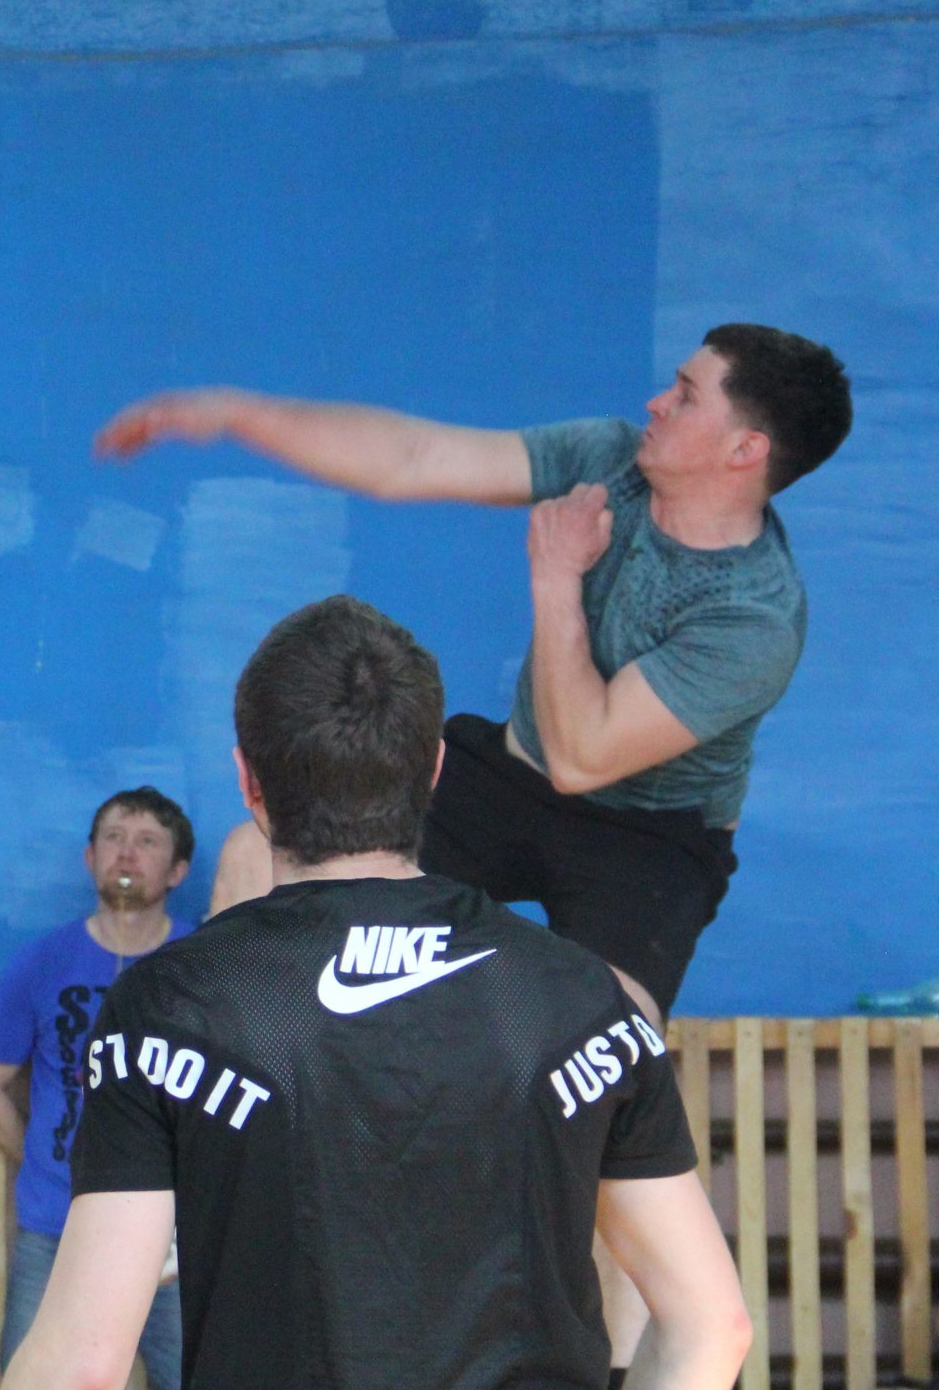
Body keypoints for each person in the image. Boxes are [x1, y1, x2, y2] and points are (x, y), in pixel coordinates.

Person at [0, 595, 750, 1390]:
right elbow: (713, 1324)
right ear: (434, 771)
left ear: (249, 781)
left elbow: (84, 1370)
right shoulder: (580, 997)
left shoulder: (167, 1005)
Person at [97, 323, 852, 1026]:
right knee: (251, 860)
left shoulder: (754, 618)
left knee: (611, 1044)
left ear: (744, 449)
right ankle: (261, 1093)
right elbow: (413, 458)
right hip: (508, 774)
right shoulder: (611, 459)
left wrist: (555, 573)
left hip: (648, 833)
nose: (657, 401)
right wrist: (236, 413)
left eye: (686, 395)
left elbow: (582, 757)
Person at [0, 787, 194, 1390]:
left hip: (177, 1236)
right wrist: (48, 1157)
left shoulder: (200, 964)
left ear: (178, 870)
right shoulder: (43, 962)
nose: (128, 853)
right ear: (89, 858)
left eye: (147, 842)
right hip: (56, 1228)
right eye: (114, 838)